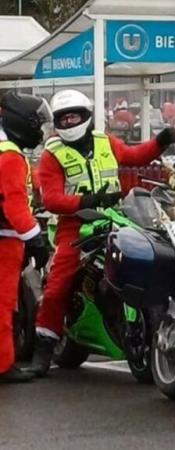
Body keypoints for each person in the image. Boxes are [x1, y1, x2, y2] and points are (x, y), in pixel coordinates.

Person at [26, 89, 175, 376]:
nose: (70, 122)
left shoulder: (104, 141)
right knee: (59, 282)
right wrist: (86, 201)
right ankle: (43, 349)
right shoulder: (52, 154)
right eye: (64, 118)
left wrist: (162, 140)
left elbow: (134, 156)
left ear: (85, 116)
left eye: (74, 116)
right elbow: (51, 199)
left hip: (116, 216)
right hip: (75, 224)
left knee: (154, 250)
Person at [0, 93, 51, 383]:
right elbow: (15, 206)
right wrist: (36, 239)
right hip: (5, 240)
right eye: (38, 124)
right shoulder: (10, 156)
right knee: (3, 304)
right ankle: (3, 364)